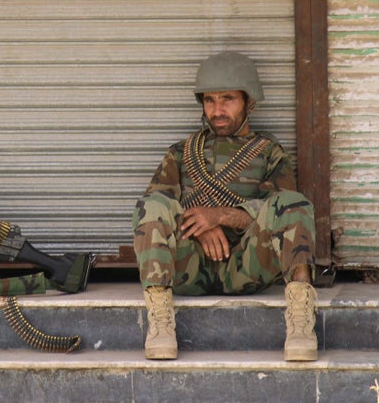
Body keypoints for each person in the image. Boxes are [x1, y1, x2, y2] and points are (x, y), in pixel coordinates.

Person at [132, 51, 318, 362]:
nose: (217, 110)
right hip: (190, 269)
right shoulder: (181, 153)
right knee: (151, 205)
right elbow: (153, 215)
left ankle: (300, 320)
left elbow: (282, 214)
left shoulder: (269, 152)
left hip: (248, 266)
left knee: (295, 204)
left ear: (250, 102)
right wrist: (201, 227)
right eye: (209, 100)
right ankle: (160, 322)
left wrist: (220, 215)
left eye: (227, 99)